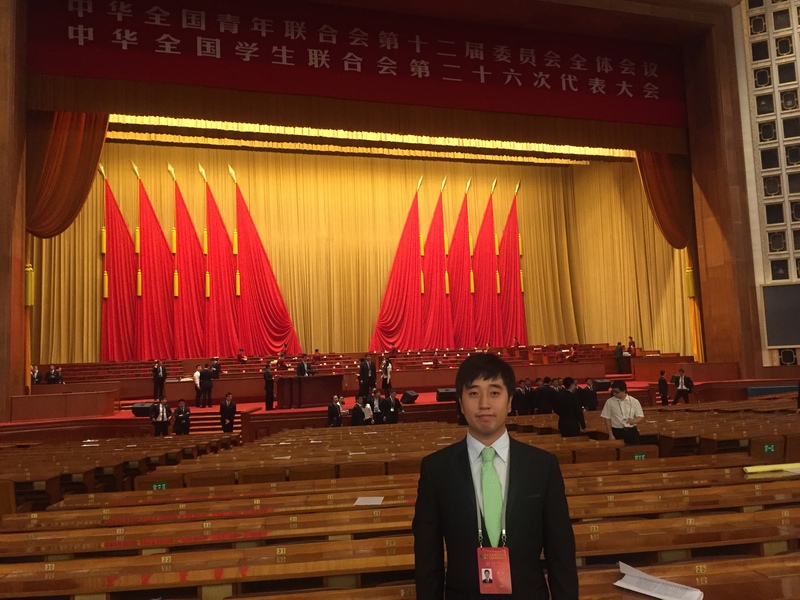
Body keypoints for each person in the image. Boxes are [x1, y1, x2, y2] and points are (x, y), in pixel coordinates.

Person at [412, 353, 578, 600]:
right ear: (460, 403)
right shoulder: (436, 469)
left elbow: (561, 552)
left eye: (494, 392)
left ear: (510, 401)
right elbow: (427, 559)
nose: (484, 404)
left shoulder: (543, 466)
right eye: (473, 393)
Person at [601, 380, 644, 445]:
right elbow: (607, 419)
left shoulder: (634, 401)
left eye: (616, 392)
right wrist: (611, 435)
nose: (614, 394)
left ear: (624, 390)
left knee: (634, 450)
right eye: (613, 391)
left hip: (631, 431)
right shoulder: (609, 402)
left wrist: (633, 421)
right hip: (617, 431)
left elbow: (640, 416)